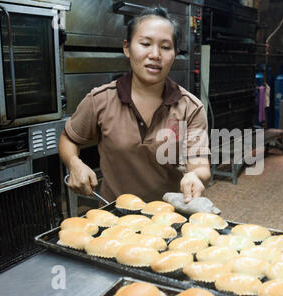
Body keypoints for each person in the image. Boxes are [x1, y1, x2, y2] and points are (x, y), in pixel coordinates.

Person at [59, 6, 211, 204]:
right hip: (115, 214)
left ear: (174, 54)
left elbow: (200, 165)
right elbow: (69, 139)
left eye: (165, 47)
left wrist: (195, 176)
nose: (155, 54)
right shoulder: (100, 99)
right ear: (127, 48)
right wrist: (74, 163)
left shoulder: (190, 107)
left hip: (169, 215)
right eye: (145, 43)